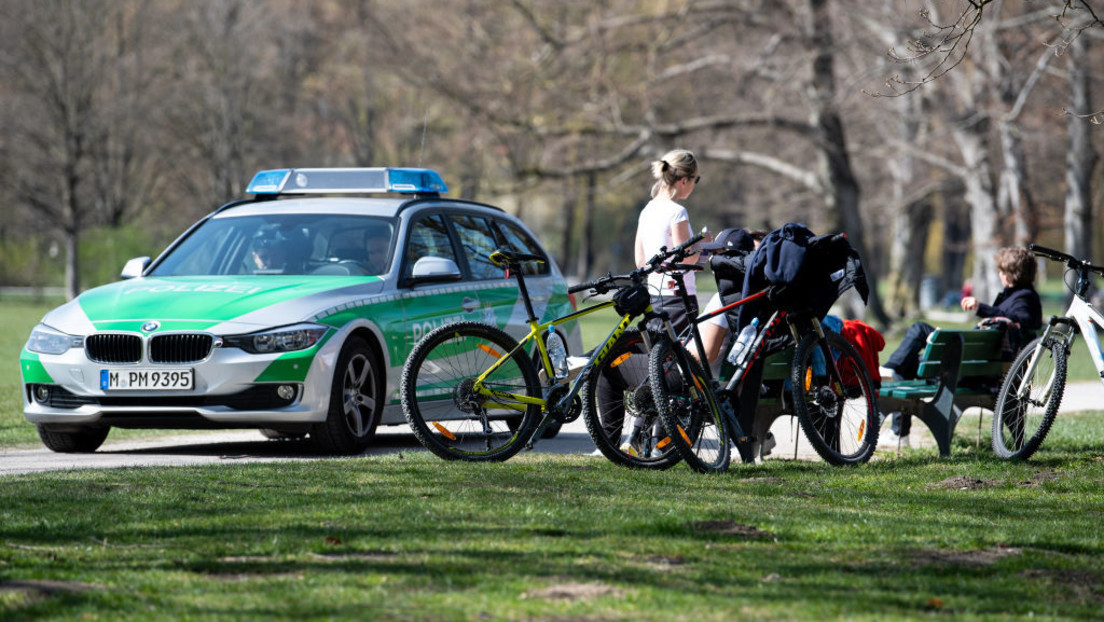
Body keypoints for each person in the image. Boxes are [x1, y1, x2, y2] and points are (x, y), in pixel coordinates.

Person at [882, 246, 1043, 446]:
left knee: (918, 331)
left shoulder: (1023, 298)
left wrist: (980, 308)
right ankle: (898, 424)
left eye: (1001, 271)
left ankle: (898, 427)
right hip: (980, 371)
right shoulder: (1024, 296)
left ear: (1010, 274)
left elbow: (1022, 319)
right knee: (908, 358)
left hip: (967, 373)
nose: (1000, 275)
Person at [634, 149, 710, 334]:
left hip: (655, 295)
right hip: (679, 296)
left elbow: (641, 261)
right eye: (696, 179)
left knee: (657, 355)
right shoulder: (677, 212)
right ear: (684, 180)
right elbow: (685, 258)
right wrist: (704, 245)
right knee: (681, 357)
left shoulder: (647, 210)